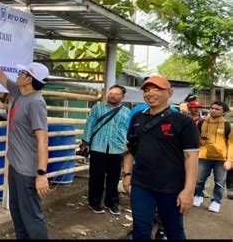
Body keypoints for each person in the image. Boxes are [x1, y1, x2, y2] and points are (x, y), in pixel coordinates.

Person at [0, 44, 50, 239]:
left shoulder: (36, 103)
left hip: (28, 170)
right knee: (17, 211)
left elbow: (43, 140)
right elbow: (0, 76)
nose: (18, 74)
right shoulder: (20, 92)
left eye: (22, 72)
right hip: (15, 164)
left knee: (32, 215)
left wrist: (41, 174)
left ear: (29, 79)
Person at [123, 76, 199, 240]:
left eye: (157, 89)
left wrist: (188, 191)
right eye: (147, 90)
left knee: (174, 231)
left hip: (171, 187)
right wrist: (127, 175)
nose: (150, 93)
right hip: (141, 185)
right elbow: (129, 148)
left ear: (170, 93)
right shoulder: (137, 118)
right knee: (140, 230)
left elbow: (191, 157)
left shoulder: (183, 121)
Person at [80, 85, 130, 215]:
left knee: (114, 178)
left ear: (122, 97)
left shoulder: (126, 112)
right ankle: (94, 202)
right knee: (96, 177)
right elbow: (90, 124)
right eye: (111, 93)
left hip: (117, 148)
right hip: (98, 147)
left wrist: (126, 145)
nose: (113, 95)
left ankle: (112, 203)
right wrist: (85, 142)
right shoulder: (98, 107)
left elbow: (127, 130)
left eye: (117, 94)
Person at [193, 101, 232, 213]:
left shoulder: (228, 125)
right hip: (204, 156)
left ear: (223, 112)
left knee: (220, 182)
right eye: (212, 108)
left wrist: (230, 160)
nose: (213, 110)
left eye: (217, 109)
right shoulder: (201, 123)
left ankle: (216, 201)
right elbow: (198, 138)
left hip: (221, 158)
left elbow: (231, 144)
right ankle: (198, 196)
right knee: (199, 179)